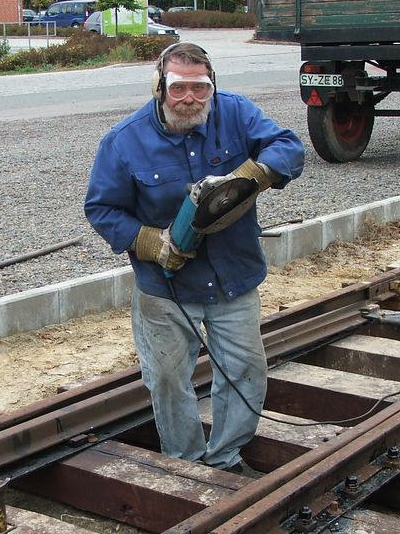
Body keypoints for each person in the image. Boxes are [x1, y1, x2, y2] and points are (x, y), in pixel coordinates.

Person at [84, 42, 304, 473]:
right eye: (178, 87)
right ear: (159, 86)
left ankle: (224, 459)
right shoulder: (124, 141)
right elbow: (101, 209)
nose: (189, 99)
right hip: (165, 288)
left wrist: (250, 176)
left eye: (200, 89)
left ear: (213, 87)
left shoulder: (237, 113)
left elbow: (289, 147)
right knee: (168, 380)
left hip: (233, 278)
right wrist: (153, 243)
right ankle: (185, 465)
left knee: (245, 372)